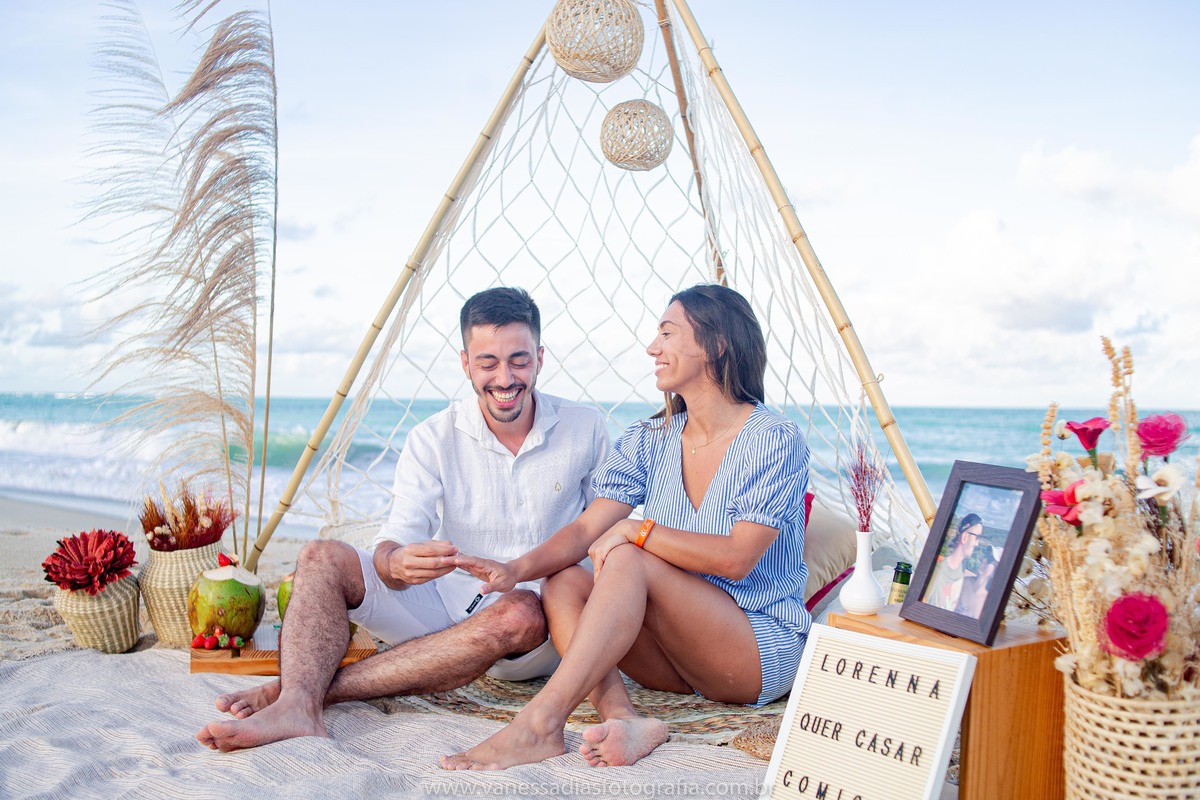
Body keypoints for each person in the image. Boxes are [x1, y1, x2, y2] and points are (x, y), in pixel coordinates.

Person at [196, 287, 610, 752]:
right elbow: (395, 541)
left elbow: (605, 531)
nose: (505, 378)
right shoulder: (432, 436)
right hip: (447, 608)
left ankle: (302, 693)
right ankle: (297, 706)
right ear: (465, 364)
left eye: (519, 360)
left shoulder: (585, 426)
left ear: (539, 358)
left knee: (518, 608)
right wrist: (396, 562)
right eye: (488, 363)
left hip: (540, 628)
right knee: (319, 556)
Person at [441, 283, 811, 770]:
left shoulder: (773, 438)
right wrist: (514, 570)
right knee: (565, 579)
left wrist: (639, 531)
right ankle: (623, 717)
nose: (653, 348)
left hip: (752, 654)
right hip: (674, 659)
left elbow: (737, 558)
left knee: (629, 553)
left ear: (717, 343)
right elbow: (584, 531)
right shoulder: (650, 437)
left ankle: (540, 723)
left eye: (667, 333)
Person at [922, 513, 984, 612]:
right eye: (977, 538)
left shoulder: (961, 573)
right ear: (965, 537)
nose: (977, 544)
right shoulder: (938, 569)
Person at [954, 545, 998, 619]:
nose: (984, 560)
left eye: (990, 560)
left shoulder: (989, 602)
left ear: (995, 571)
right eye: (986, 555)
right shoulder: (965, 582)